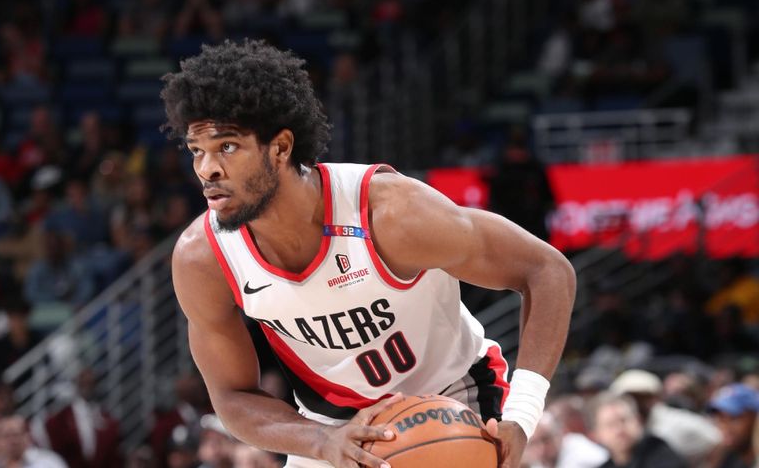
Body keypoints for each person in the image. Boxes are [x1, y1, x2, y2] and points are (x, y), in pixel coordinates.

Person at [160, 40, 576, 468]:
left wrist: (523, 415)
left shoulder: (390, 214)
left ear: (281, 147)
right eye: (197, 151)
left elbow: (546, 270)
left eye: (227, 147)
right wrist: (321, 441)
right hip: (332, 426)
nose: (207, 169)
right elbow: (232, 396)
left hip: (453, 399)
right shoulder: (203, 259)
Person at [587, 392, 687, 468]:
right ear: (595, 434)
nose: (619, 430)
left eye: (624, 420)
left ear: (638, 421)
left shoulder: (659, 452)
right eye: (610, 425)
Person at [708, 384, 759, 468]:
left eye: (734, 418)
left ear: (755, 419)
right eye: (720, 419)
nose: (725, 426)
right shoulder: (726, 456)